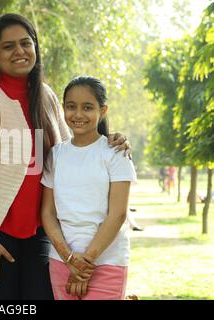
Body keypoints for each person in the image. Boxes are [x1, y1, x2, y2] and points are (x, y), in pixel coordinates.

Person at [0, 14, 130, 300]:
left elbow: (72, 152)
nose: (19, 51)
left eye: (25, 43)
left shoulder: (46, 95)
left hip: (42, 235)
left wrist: (109, 141)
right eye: (8, 47)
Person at [41, 76, 137, 300]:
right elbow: (47, 212)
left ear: (102, 111)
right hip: (61, 261)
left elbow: (118, 214)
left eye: (87, 107)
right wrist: (69, 259)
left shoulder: (115, 152)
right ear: (63, 109)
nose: (78, 114)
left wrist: (85, 263)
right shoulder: (55, 155)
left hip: (106, 262)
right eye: (71, 107)